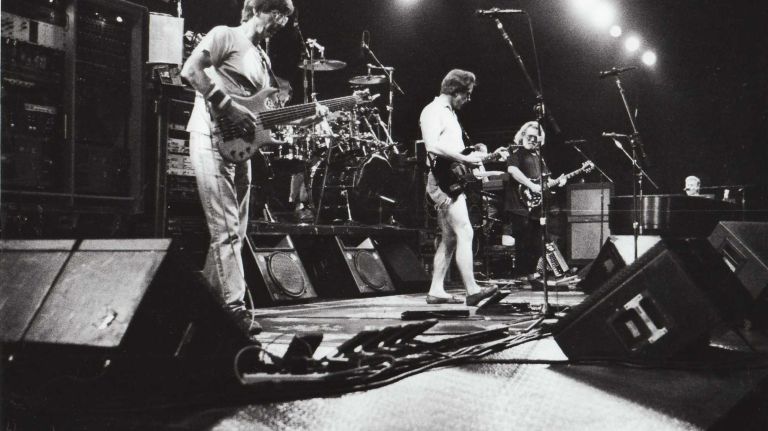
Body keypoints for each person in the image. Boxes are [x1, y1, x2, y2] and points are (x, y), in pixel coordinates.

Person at [181, 0, 325, 340]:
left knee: (234, 231)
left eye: (285, 18)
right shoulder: (224, 36)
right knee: (226, 228)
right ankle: (233, 309)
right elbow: (190, 71)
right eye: (277, 14)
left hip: (241, 148)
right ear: (258, 9)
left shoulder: (263, 59)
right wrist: (226, 105)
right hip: (210, 135)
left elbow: (262, 116)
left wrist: (310, 115)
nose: (281, 23)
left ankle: (201, 307)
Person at [420, 69, 500, 306]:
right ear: (456, 91)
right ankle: (472, 290)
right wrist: (465, 159)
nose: (468, 99)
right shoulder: (433, 111)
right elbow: (432, 146)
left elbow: (452, 151)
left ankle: (436, 290)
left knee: (450, 238)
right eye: (467, 94)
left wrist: (476, 154)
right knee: (465, 231)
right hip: (441, 181)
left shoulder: (449, 114)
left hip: (449, 178)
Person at [504, 121, 567, 280]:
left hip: (536, 205)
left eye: (536, 138)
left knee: (538, 239)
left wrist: (558, 181)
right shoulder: (516, 151)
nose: (533, 140)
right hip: (519, 203)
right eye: (530, 136)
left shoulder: (539, 157)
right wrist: (531, 185)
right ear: (523, 135)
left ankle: (531, 273)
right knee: (523, 240)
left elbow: (545, 180)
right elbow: (512, 170)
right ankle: (521, 274)